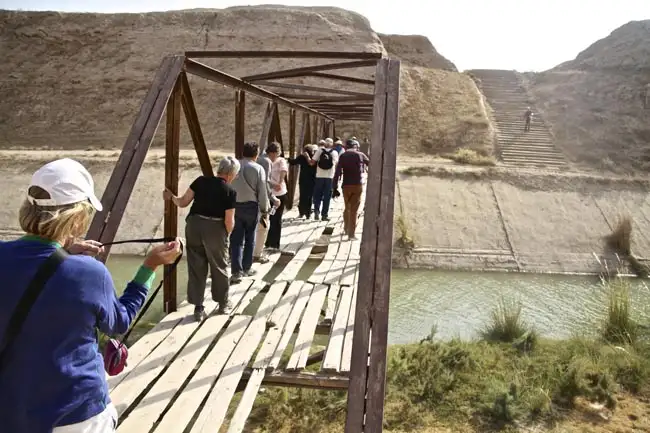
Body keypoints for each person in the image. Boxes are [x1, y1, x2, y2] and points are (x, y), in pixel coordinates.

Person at [0, 158, 181, 433]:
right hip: (75, 416)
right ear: (75, 217)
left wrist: (63, 253)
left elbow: (28, 269)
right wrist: (149, 267)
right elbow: (119, 322)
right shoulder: (88, 272)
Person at [163, 156, 239, 320]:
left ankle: (198, 308)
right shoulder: (230, 191)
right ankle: (223, 303)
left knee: (196, 266)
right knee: (219, 265)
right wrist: (227, 235)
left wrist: (171, 197)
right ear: (231, 174)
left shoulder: (200, 181)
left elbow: (183, 202)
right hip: (215, 228)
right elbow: (229, 220)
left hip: (194, 226)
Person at [230, 142, 270, 284]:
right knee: (250, 238)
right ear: (256, 154)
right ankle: (247, 268)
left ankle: (236, 272)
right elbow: (262, 191)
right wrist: (265, 209)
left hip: (234, 206)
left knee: (236, 240)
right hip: (251, 207)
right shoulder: (258, 168)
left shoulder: (233, 166)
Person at [333, 139, 370, 239]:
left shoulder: (343, 156)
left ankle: (346, 228)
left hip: (346, 185)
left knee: (347, 207)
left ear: (346, 146)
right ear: (356, 146)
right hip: (357, 185)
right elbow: (371, 164)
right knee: (354, 210)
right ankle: (351, 234)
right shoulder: (361, 155)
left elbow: (337, 172)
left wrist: (334, 187)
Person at [253, 149, 280, 264]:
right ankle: (257, 255)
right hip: (259, 201)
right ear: (273, 153)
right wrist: (272, 199)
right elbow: (264, 183)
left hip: (244, 202)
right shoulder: (266, 161)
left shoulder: (242, 163)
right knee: (263, 228)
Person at [265, 142, 289, 251]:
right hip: (268, 193)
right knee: (267, 218)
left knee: (276, 219)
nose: (274, 155)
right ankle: (267, 242)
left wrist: (279, 182)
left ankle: (274, 244)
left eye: (275, 153)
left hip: (279, 194)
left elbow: (284, 171)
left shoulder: (281, 160)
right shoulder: (265, 161)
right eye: (272, 153)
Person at [308, 138, 339, 221]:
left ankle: (316, 213)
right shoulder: (334, 152)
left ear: (325, 144)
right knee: (327, 197)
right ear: (332, 144)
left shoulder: (319, 151)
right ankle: (324, 215)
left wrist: (307, 157)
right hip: (329, 177)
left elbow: (312, 163)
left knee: (317, 195)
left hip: (319, 176)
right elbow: (335, 164)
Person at [289, 143, 317, 218]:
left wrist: (287, 159)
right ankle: (308, 214)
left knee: (302, 196)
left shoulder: (302, 157)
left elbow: (293, 162)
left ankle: (301, 213)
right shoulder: (315, 157)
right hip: (312, 180)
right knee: (309, 197)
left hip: (303, 180)